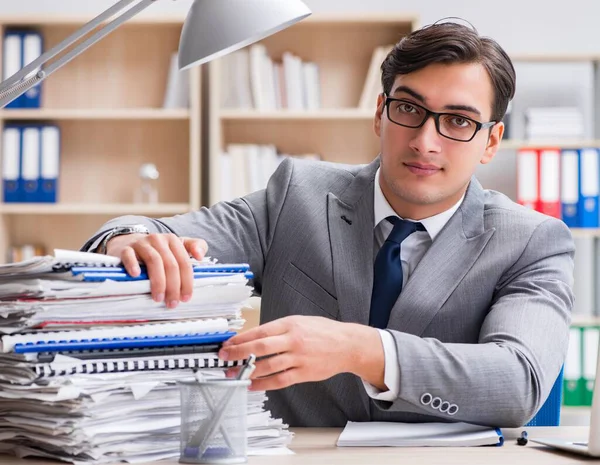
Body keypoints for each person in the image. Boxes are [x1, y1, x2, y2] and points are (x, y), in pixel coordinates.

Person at [82, 20, 574, 428]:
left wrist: (359, 348)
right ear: (381, 114)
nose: (426, 140)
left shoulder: (531, 241)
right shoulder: (298, 193)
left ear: (491, 141)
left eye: (459, 121)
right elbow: (158, 232)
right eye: (409, 109)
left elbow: (518, 382)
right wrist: (129, 239)